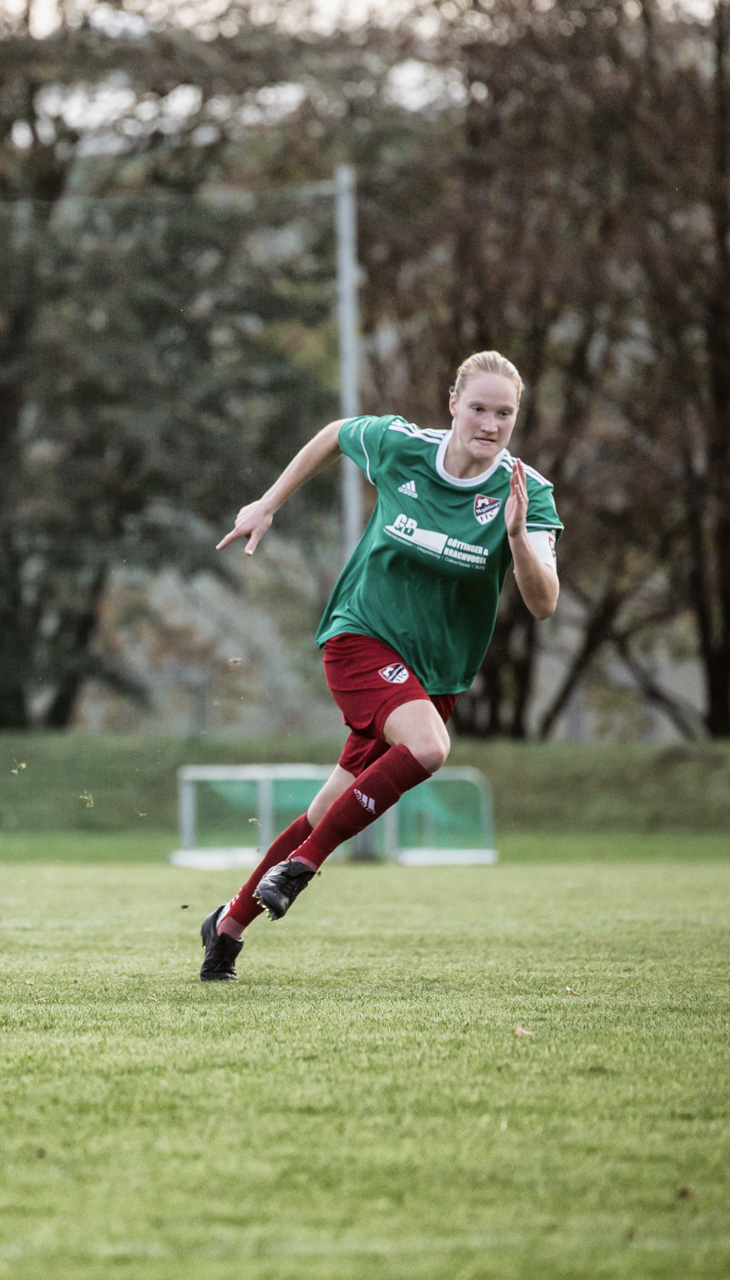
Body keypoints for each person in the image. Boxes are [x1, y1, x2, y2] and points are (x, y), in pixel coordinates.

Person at [198, 352, 562, 982]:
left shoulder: (526, 494)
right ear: (453, 405)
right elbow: (334, 435)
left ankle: (227, 924)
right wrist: (268, 502)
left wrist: (517, 543)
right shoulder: (402, 446)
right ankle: (306, 866)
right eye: (478, 407)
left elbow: (544, 602)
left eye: (504, 413)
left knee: (327, 806)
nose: (490, 422)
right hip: (358, 637)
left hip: (432, 677)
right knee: (428, 748)